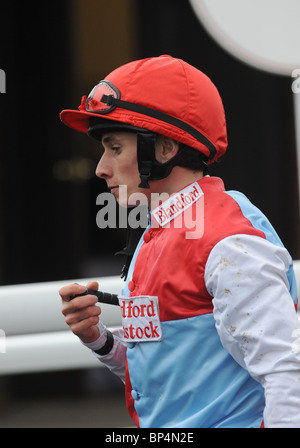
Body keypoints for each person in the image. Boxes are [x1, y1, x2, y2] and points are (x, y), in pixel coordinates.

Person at [59, 55, 300, 428]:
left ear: (166, 149)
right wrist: (100, 340)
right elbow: (164, 382)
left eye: (114, 147)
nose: (100, 168)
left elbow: (288, 372)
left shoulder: (227, 240)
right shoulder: (160, 228)